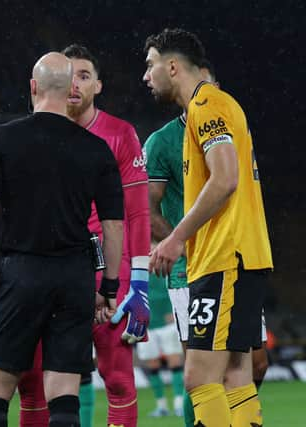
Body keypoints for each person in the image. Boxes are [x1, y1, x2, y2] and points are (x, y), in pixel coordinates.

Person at [0, 51, 124, 427]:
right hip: (74, 277)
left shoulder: (4, 139)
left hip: (21, 272)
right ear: (71, 88)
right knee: (64, 397)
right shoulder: (96, 149)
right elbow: (114, 226)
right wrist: (110, 285)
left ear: (33, 86)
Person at [144, 28, 273, 426]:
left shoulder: (208, 104)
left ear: (172, 66)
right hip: (240, 255)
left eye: (150, 66)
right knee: (236, 375)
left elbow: (225, 177)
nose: (145, 76)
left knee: (200, 377)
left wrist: (177, 237)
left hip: (224, 258)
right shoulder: (211, 108)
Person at [66, 43, 151, 427]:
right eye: (66, 75)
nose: (74, 83)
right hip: (52, 267)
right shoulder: (36, 134)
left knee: (116, 379)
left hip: (108, 269)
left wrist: (141, 281)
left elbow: (137, 211)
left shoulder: (120, 134)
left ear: (98, 85)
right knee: (47, 381)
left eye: (83, 75)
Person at [135, 272, 184, 418]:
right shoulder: (136, 270)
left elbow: (175, 286)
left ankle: (178, 405)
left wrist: (171, 309)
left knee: (174, 361)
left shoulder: (164, 267)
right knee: (152, 365)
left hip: (166, 323)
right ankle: (161, 406)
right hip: (146, 324)